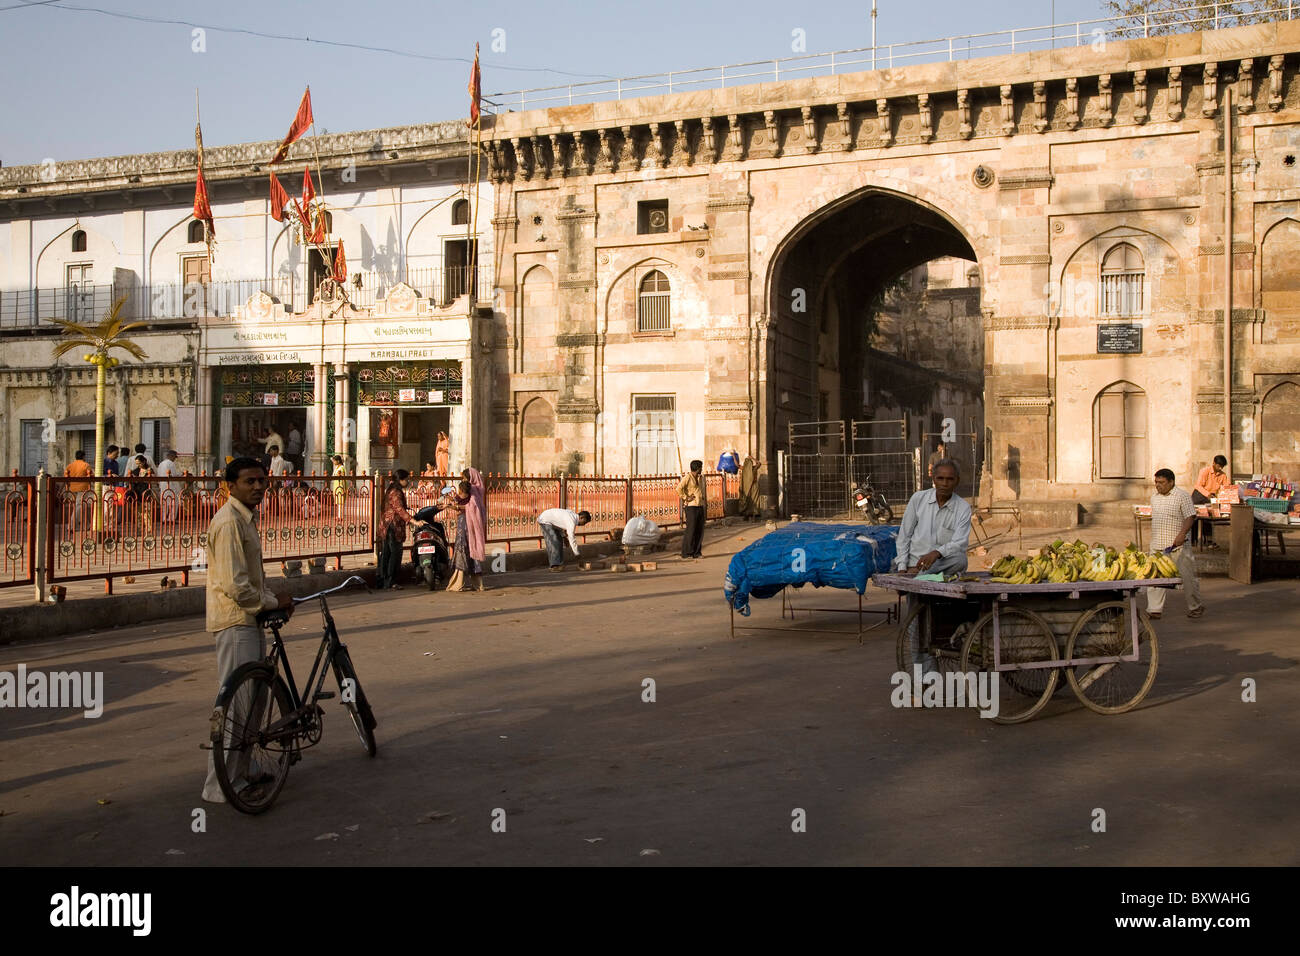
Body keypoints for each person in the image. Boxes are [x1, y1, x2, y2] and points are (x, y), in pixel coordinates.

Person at [201, 457, 293, 804]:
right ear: (230, 486)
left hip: (249, 619)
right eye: (249, 481)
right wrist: (271, 602)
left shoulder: (245, 519)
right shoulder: (228, 523)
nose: (257, 487)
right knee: (237, 708)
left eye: (261, 481)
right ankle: (219, 785)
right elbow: (236, 585)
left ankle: (242, 769)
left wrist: (272, 600)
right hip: (234, 621)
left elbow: (251, 580)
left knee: (255, 701)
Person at [894, 460, 971, 575]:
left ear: (957, 481)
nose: (945, 483)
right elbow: (904, 535)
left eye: (950, 479)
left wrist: (937, 553)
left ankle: (921, 580)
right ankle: (921, 579)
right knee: (919, 573)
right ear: (934, 479)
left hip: (940, 563)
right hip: (915, 563)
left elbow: (960, 543)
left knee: (961, 560)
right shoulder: (918, 499)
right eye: (940, 478)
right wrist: (902, 567)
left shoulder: (963, 508)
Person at [1148, 468, 1204, 620]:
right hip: (1158, 545)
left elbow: (1190, 516)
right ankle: (1154, 609)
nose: (1158, 485)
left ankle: (1195, 606)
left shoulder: (1182, 496)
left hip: (1178, 545)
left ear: (1171, 482)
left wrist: (1181, 534)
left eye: (1162, 482)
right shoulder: (1154, 497)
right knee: (1154, 578)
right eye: (1156, 482)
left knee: (1188, 577)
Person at [377, 469, 425, 590]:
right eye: (406, 479)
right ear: (400, 480)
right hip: (393, 527)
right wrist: (414, 521)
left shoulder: (392, 490)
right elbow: (399, 509)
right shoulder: (396, 492)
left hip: (388, 525)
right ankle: (390, 581)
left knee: (387, 553)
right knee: (395, 554)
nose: (408, 481)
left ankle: (385, 581)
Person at [455, 467, 489, 591]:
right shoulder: (478, 488)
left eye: (465, 478)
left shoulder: (473, 489)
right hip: (470, 523)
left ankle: (460, 583)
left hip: (468, 524)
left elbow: (471, 507)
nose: (464, 480)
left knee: (465, 548)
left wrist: (456, 506)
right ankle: (476, 583)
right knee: (470, 549)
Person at [1191, 454, 1231, 548]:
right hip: (1200, 494)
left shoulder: (1223, 475)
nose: (1220, 468)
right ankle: (1193, 540)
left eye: (1222, 466)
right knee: (1194, 517)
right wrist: (1207, 494)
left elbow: (1226, 487)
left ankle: (1208, 540)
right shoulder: (1205, 471)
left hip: (1212, 497)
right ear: (1214, 463)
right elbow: (1198, 485)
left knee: (1209, 516)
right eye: (1218, 465)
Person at [677, 459, 706, 560]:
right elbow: (679, 488)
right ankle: (687, 553)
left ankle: (697, 552)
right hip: (691, 506)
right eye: (700, 468)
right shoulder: (688, 478)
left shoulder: (699, 478)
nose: (701, 469)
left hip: (699, 505)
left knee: (699, 530)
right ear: (697, 469)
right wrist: (686, 497)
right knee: (691, 530)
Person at [63, 448, 93, 531]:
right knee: (79, 507)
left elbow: (66, 475)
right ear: (83, 457)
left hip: (72, 488)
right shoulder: (86, 465)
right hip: (82, 488)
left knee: (81, 506)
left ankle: (86, 525)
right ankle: (71, 526)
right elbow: (91, 475)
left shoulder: (70, 465)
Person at [155, 449, 182, 524]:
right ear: (171, 456)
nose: (174, 459)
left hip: (162, 485)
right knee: (174, 502)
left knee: (164, 502)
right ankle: (171, 518)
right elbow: (173, 475)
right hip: (171, 485)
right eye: (174, 457)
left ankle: (164, 518)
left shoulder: (161, 464)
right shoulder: (171, 463)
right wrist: (181, 474)